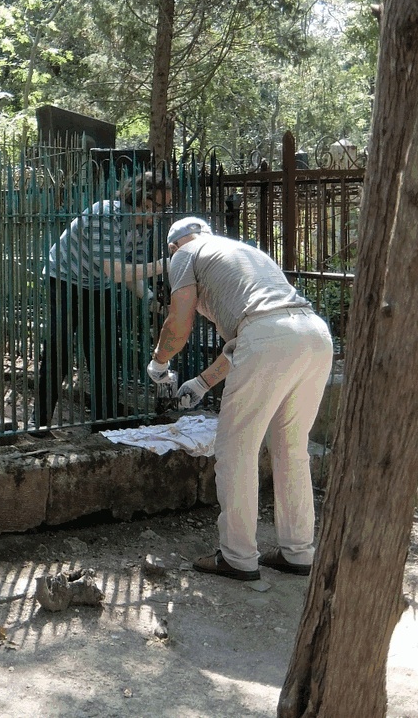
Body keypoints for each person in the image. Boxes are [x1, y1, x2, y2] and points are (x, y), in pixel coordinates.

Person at [147, 217, 333, 581]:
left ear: (173, 247)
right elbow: (249, 338)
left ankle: (237, 557)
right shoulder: (242, 251)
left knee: (236, 449)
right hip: (313, 334)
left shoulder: (185, 254)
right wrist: (201, 383)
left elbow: (178, 322)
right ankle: (297, 552)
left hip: (270, 335)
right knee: (291, 448)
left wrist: (159, 363)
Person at [34, 171, 172, 430]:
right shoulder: (105, 214)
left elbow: (132, 271)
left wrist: (150, 297)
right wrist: (165, 265)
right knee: (59, 350)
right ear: (142, 198)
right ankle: (39, 422)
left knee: (105, 353)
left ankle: (104, 422)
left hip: (99, 284)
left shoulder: (144, 228)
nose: (162, 213)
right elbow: (117, 271)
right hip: (64, 278)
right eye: (159, 205)